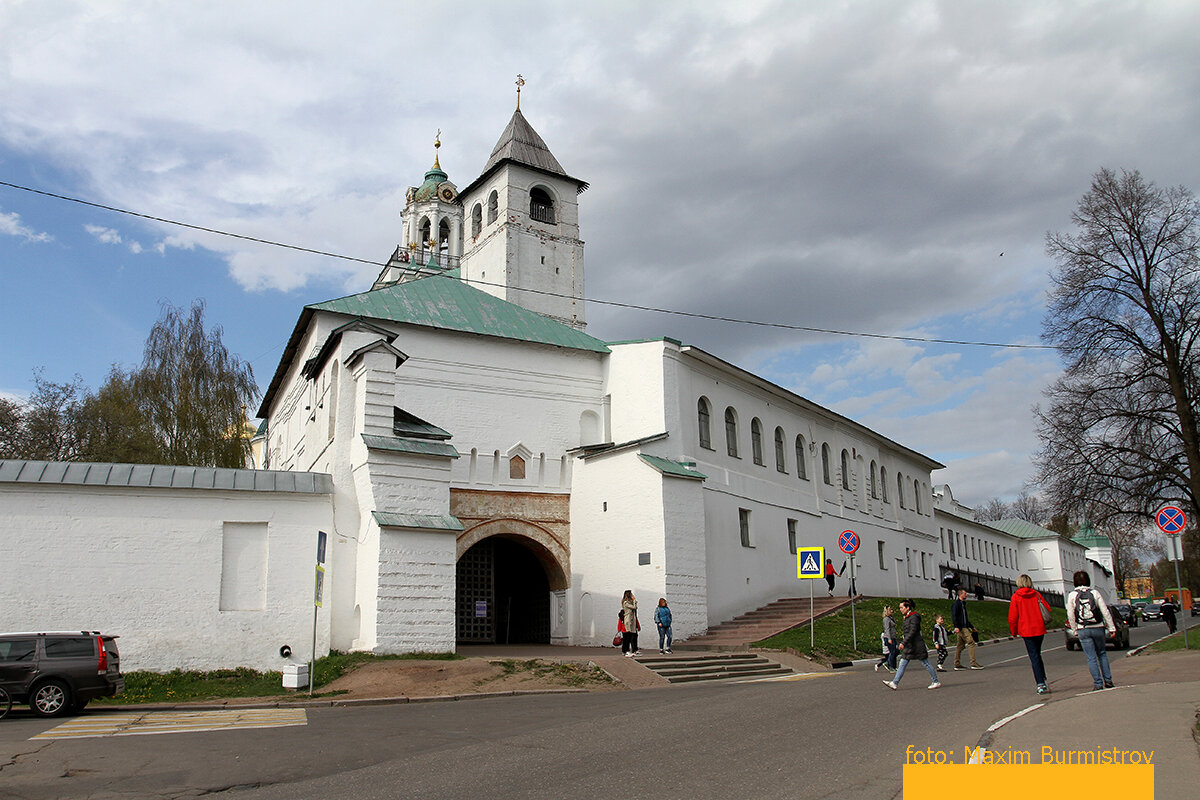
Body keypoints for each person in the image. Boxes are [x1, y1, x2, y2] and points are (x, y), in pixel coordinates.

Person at [1066, 571, 1116, 690]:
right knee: (1102, 654)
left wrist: (1074, 629)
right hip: (1098, 627)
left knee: (1091, 657)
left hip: (1083, 628)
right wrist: (1111, 627)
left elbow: (1070, 614)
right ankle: (1108, 681)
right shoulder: (1094, 592)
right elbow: (1105, 611)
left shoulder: (1072, 595)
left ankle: (1098, 683)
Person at [882, 599, 941, 691]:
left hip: (916, 645)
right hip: (909, 646)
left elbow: (912, 631)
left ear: (908, 607)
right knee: (902, 663)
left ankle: (936, 681)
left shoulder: (914, 617)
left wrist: (903, 642)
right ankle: (895, 682)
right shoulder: (908, 617)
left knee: (926, 663)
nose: (900, 609)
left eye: (901, 607)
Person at [1008, 574, 1053, 694]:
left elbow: (1012, 617)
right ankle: (1043, 679)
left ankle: (1040, 684)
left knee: (1034, 657)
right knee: (1037, 655)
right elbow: (1047, 608)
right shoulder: (1036, 594)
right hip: (1039, 629)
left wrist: (1014, 632)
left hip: (1026, 630)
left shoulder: (1016, 597)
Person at [951, 588, 984, 670]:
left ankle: (957, 663)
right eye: (965, 594)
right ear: (960, 594)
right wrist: (956, 626)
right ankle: (973, 663)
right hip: (961, 627)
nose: (966, 595)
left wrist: (972, 627)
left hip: (964, 626)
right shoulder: (957, 604)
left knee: (960, 645)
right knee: (971, 642)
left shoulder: (963, 604)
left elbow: (965, 618)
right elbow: (954, 616)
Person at [875, 605, 897, 673]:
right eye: (890, 610)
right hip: (889, 638)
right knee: (893, 652)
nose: (892, 611)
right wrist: (889, 638)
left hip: (893, 637)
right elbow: (887, 629)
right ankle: (889, 665)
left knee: (896, 651)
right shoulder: (886, 619)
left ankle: (891, 665)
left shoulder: (891, 618)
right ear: (887, 611)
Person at [621, 590, 641, 657]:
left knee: (631, 636)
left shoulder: (630, 602)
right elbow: (634, 607)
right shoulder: (626, 602)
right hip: (628, 620)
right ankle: (626, 651)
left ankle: (632, 650)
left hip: (632, 621)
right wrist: (635, 600)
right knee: (627, 636)